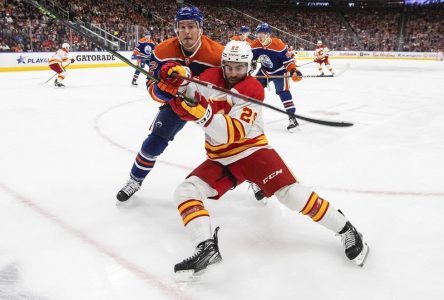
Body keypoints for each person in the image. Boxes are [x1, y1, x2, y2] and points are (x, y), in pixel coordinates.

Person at [157, 40, 369, 281]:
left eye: (239, 67)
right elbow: (187, 92)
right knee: (185, 191)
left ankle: (346, 229)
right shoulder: (211, 75)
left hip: (252, 153)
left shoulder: (253, 89)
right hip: (220, 158)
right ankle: (206, 248)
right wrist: (178, 79)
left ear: (249, 67)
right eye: (229, 66)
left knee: (292, 195)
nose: (233, 72)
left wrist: (202, 114)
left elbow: (231, 134)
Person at [116, 6, 224, 201]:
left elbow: (230, 85)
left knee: (232, 139)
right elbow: (151, 84)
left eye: (191, 26)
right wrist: (161, 92)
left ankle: (250, 178)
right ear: (176, 28)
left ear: (201, 28)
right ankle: (134, 180)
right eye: (181, 27)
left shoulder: (217, 54)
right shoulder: (163, 50)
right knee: (154, 140)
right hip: (177, 103)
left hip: (208, 103)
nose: (186, 32)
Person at [251, 23, 302, 131]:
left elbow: (288, 61)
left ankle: (292, 118)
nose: (259, 36)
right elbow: (253, 57)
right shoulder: (255, 44)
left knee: (284, 93)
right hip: (265, 71)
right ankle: (250, 115)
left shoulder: (279, 45)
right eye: (258, 34)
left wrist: (293, 70)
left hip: (280, 72)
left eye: (262, 34)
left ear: (268, 34)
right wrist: (253, 63)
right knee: (252, 89)